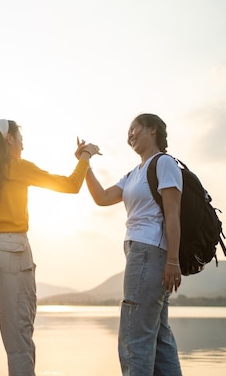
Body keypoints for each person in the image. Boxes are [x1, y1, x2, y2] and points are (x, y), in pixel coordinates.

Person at [0, 119, 100, 376]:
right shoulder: (17, 168)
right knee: (19, 344)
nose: (23, 147)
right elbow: (71, 185)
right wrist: (85, 156)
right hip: (11, 251)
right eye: (21, 139)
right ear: (9, 140)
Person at [82, 113, 183, 376]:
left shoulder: (163, 163)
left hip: (150, 253)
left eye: (134, 128)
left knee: (134, 337)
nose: (130, 134)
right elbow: (102, 198)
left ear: (152, 130)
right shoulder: (134, 173)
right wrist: (85, 163)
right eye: (128, 131)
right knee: (159, 338)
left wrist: (173, 260)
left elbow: (173, 214)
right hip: (140, 254)